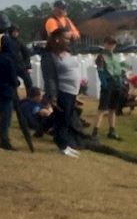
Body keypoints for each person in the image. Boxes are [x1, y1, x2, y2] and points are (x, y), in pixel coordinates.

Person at [45, 27, 83, 157]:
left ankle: (65, 144)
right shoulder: (50, 56)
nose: (68, 41)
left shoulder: (67, 53)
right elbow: (49, 78)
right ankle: (62, 146)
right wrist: (53, 96)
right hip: (61, 91)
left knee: (67, 119)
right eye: (66, 38)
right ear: (57, 39)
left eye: (69, 38)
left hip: (72, 91)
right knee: (62, 119)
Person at [92, 36, 128, 140]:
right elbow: (100, 71)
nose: (111, 46)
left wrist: (121, 81)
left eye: (113, 44)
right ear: (105, 44)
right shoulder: (101, 57)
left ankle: (112, 131)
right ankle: (95, 132)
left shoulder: (115, 57)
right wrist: (105, 83)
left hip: (117, 85)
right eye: (109, 43)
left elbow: (121, 69)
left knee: (113, 109)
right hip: (107, 84)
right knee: (102, 109)